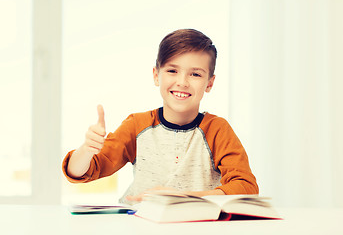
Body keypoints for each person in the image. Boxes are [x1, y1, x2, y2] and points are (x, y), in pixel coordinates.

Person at [62, 28, 259, 204]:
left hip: (196, 226)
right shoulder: (137, 125)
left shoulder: (217, 129)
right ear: (156, 76)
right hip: (139, 223)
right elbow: (79, 172)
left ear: (209, 83)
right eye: (172, 70)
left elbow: (247, 188)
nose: (182, 82)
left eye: (195, 74)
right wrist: (87, 151)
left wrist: (183, 198)